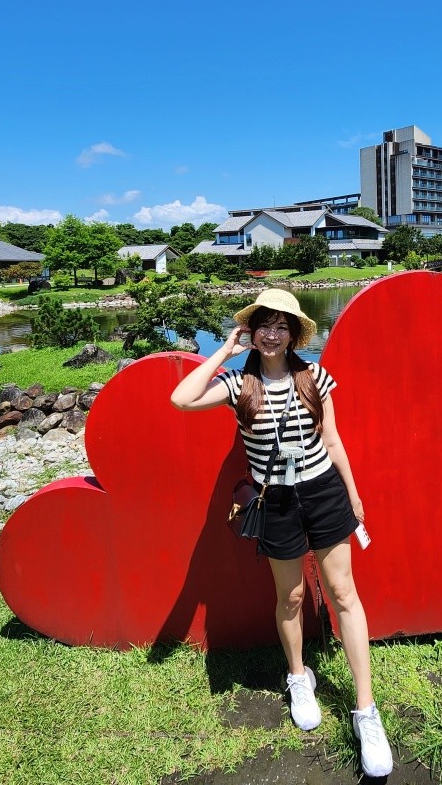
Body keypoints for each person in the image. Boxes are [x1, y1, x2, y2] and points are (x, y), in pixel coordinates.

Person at [170, 288, 393, 778]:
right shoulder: (237, 384)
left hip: (323, 493)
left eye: (281, 326)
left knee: (343, 593)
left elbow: (332, 440)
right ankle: (298, 676)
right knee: (290, 596)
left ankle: (365, 710)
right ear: (252, 330)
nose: (272, 334)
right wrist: (224, 352)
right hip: (276, 503)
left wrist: (352, 495)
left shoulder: (314, 376)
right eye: (264, 325)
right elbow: (180, 399)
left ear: (294, 333)